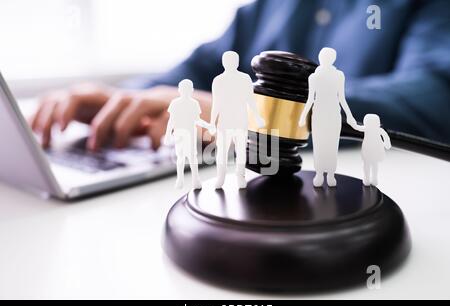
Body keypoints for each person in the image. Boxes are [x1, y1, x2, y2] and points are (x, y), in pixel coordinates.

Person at [30, 0, 450, 150]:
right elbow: (196, 71)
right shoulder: (270, 7)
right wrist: (119, 98)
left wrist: (254, 112)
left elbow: (433, 93)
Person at [299, 47, 356, 187]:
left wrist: (349, 116)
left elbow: (342, 98)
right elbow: (310, 99)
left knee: (332, 144)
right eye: (323, 56)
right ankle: (319, 174)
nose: (325, 59)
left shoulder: (339, 75)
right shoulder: (313, 77)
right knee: (318, 145)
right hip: (318, 114)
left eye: (328, 56)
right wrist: (302, 116)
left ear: (333, 59)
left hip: (333, 114)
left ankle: (330, 174)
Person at [210, 51, 265, 189]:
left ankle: (240, 176)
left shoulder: (245, 79)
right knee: (221, 152)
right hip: (224, 122)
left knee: (241, 151)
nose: (230, 62)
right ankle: (220, 178)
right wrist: (212, 122)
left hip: (240, 121)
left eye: (233, 60)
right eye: (227, 60)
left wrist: (257, 117)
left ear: (238, 62)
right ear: (223, 62)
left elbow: (250, 100)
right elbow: (216, 104)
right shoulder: (218, 80)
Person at [164, 79, 213, 189]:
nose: (185, 91)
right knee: (180, 157)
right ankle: (180, 179)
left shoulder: (194, 103)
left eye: (188, 89)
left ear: (191, 90)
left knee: (192, 157)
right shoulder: (175, 103)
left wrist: (208, 125)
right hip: (179, 133)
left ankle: (195, 179)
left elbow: (197, 119)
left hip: (190, 133)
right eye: (183, 89)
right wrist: (168, 134)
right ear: (179, 90)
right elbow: (172, 120)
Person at [353, 114, 392, 186]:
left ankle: (372, 179)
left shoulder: (375, 129)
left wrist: (387, 144)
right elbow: (357, 127)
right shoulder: (369, 128)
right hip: (369, 149)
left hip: (373, 149)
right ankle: (368, 179)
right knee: (370, 165)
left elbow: (386, 137)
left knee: (372, 165)